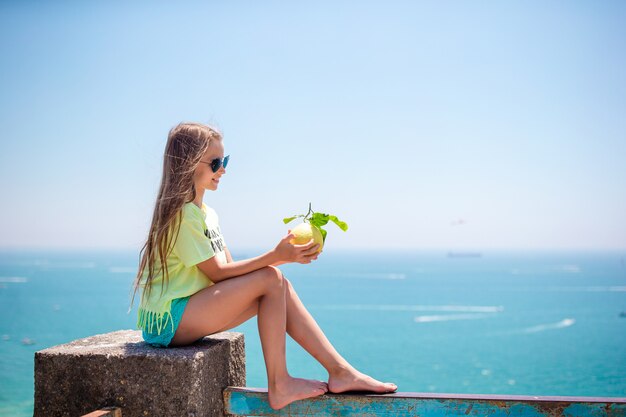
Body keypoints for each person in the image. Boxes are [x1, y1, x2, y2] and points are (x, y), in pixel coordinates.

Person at [129, 122, 397, 410]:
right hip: (170, 321)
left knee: (278, 285)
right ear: (189, 165)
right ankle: (280, 384)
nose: (223, 169)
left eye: (225, 161)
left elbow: (229, 271)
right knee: (271, 279)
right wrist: (275, 256)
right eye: (216, 162)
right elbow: (219, 274)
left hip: (187, 312)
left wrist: (286, 256)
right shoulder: (184, 216)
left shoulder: (206, 214)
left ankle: (340, 371)